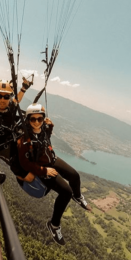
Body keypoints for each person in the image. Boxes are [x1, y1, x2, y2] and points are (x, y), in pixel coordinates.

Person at [16, 103, 92, 246]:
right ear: (28, 120)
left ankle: (78, 196)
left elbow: (46, 137)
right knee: (65, 192)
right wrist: (44, 171)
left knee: (75, 176)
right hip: (43, 168)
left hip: (52, 159)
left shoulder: (43, 129)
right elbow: (24, 163)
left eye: (40, 119)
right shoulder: (24, 139)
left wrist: (50, 127)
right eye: (33, 119)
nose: (37, 122)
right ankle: (54, 225)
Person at [0, 78, 31, 165]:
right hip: (1, 147)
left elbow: (16, 100)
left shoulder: (10, 106)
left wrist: (23, 88)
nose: (2, 100)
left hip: (12, 140)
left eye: (6, 96)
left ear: (9, 97)